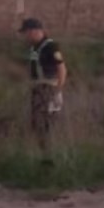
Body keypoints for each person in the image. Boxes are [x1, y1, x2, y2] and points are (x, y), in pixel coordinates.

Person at [19, 17, 66, 146]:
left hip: (48, 88)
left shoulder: (51, 46)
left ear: (34, 31)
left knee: (46, 122)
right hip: (37, 88)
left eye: (26, 32)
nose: (26, 36)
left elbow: (61, 69)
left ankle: (48, 148)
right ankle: (39, 147)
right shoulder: (34, 48)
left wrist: (57, 91)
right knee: (36, 122)